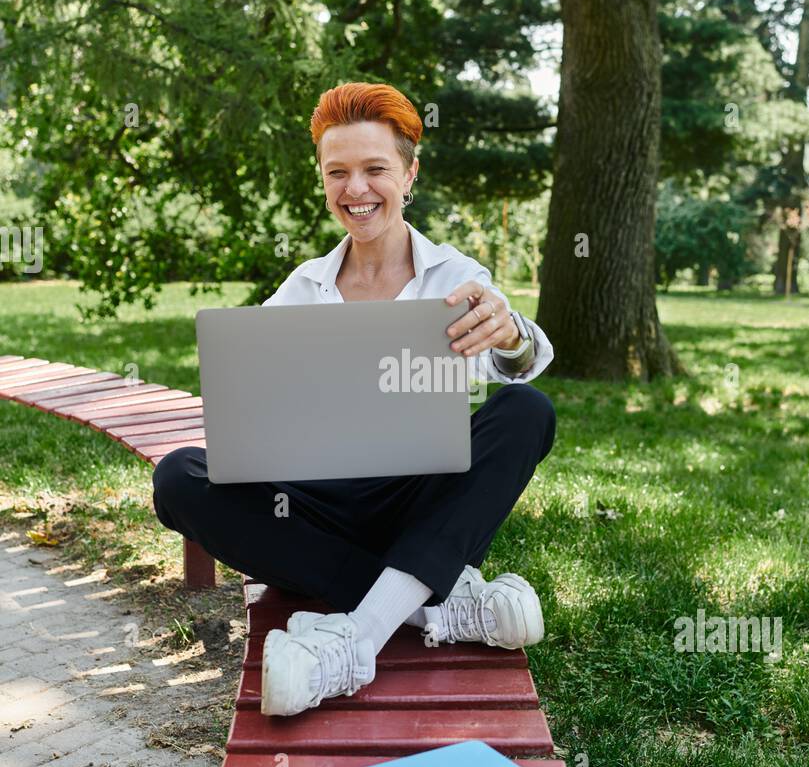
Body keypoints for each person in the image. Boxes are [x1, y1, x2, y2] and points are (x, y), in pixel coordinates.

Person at [152, 82, 557, 717]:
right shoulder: (301, 288)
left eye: (375, 169)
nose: (356, 189)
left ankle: (355, 641)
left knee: (528, 410)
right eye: (337, 172)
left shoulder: (456, 280)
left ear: (410, 172)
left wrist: (511, 334)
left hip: (419, 502)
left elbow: (523, 363)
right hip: (317, 509)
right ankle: (434, 604)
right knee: (177, 476)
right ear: (322, 178)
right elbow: (255, 406)